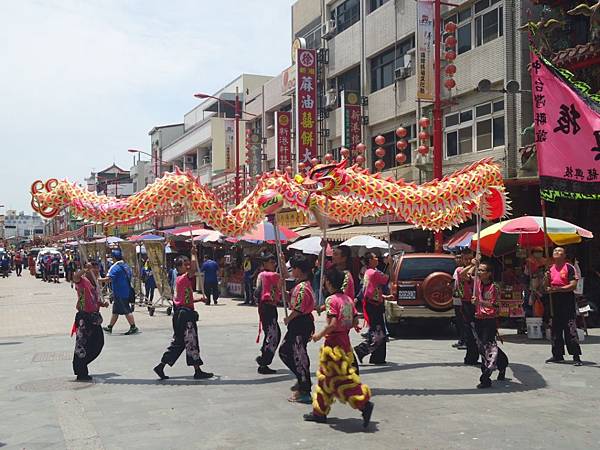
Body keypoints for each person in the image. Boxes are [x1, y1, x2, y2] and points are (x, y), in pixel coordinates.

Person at [304, 268, 374, 428]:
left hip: (333, 345)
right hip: (345, 343)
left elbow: (333, 324)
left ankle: (363, 403)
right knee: (326, 378)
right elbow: (355, 321)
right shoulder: (348, 299)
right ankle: (319, 411)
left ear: (328, 282)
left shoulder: (331, 300)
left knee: (339, 380)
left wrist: (318, 335)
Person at [154, 256, 214, 380]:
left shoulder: (180, 280)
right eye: (185, 265)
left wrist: (199, 299)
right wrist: (193, 254)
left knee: (180, 343)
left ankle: (162, 366)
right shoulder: (183, 278)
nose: (188, 267)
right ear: (179, 267)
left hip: (181, 313)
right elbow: (192, 269)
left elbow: (185, 299)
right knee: (190, 341)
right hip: (185, 316)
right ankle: (197, 371)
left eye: (188, 264)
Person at [279, 254, 315, 403]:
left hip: (300, 323)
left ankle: (304, 387)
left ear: (299, 270)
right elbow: (293, 301)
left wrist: (289, 318)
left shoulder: (302, 287)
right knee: (287, 352)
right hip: (299, 323)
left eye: (293, 268)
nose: (291, 271)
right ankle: (302, 380)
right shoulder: (300, 285)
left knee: (298, 355)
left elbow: (299, 308)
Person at [472, 261, 509, 388]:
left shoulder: (495, 287)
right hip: (478, 318)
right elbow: (465, 276)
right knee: (483, 346)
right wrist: (474, 264)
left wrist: (480, 302)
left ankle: (485, 377)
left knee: (487, 346)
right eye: (479, 270)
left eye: (482, 270)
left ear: (488, 273)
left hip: (490, 319)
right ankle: (503, 363)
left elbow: (496, 305)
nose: (479, 272)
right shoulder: (477, 284)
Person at [544, 247, 582, 366]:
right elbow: (546, 287)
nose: (557, 252)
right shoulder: (550, 269)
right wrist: (546, 279)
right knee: (555, 328)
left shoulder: (569, 267)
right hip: (553, 300)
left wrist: (557, 289)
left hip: (566, 299)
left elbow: (573, 285)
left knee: (570, 328)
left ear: (564, 255)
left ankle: (576, 356)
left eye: (560, 251)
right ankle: (557, 354)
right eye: (555, 251)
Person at [72, 262, 109, 381]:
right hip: (84, 317)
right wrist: (84, 269)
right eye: (94, 269)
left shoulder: (95, 283)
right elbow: (75, 277)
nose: (96, 271)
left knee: (98, 343)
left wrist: (101, 304)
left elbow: (94, 299)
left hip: (94, 317)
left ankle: (81, 365)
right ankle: (81, 370)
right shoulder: (82, 281)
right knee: (82, 346)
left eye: (97, 269)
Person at [354, 252, 389, 365]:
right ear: (370, 260)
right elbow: (388, 278)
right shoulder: (373, 273)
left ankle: (377, 357)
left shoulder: (369, 272)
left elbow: (370, 290)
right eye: (374, 258)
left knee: (378, 332)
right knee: (378, 333)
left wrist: (384, 296)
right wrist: (390, 264)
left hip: (373, 304)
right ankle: (361, 350)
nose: (377, 259)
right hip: (374, 306)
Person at [100, 250, 139, 335]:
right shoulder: (126, 266)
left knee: (126, 310)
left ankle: (133, 327)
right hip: (125, 291)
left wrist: (98, 280)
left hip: (120, 293)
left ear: (114, 258)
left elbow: (109, 279)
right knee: (115, 311)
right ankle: (110, 327)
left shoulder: (116, 267)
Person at [255, 253, 282, 374]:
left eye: (274, 262)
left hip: (264, 307)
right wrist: (282, 262)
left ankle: (264, 356)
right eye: (271, 262)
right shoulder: (273, 275)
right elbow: (285, 277)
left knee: (270, 333)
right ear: (265, 263)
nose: (273, 264)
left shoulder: (261, 275)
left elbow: (257, 291)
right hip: (269, 306)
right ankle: (264, 360)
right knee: (273, 334)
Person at [457, 248, 479, 365]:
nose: (468, 261)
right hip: (466, 303)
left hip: (477, 302)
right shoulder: (460, 269)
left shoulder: (478, 270)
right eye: (466, 259)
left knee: (477, 331)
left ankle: (475, 356)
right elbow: (463, 274)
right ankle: (470, 358)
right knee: (470, 331)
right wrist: (472, 265)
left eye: (470, 258)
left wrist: (477, 266)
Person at [451, 252, 467, 350]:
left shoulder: (464, 270)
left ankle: (466, 340)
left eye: (460, 258)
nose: (457, 260)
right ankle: (461, 339)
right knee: (459, 320)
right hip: (456, 297)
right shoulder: (456, 269)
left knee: (464, 320)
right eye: (456, 258)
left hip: (464, 298)